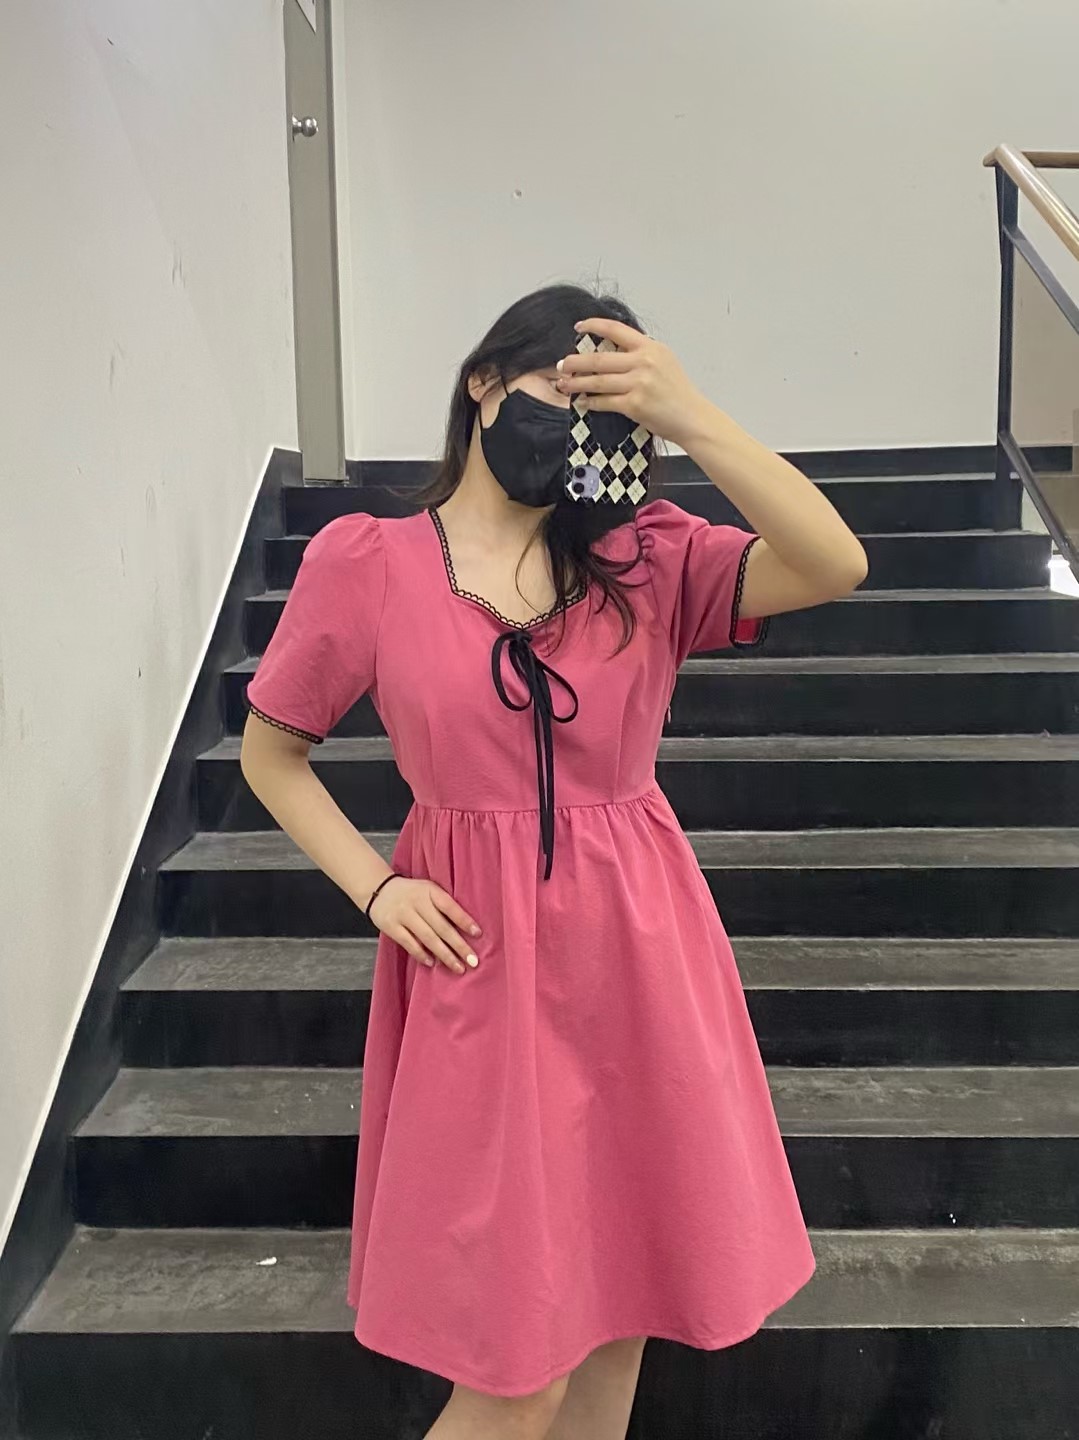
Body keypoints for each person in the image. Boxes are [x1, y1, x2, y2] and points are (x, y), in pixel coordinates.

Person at [240, 283, 869, 1440]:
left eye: (612, 413)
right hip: (476, 965)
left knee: (618, 1318)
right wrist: (376, 885)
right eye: (561, 393)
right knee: (513, 1369)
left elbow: (832, 562)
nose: (583, 432)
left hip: (638, 952)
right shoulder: (368, 562)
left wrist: (688, 415)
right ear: (483, 384)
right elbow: (270, 752)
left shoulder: (644, 559)